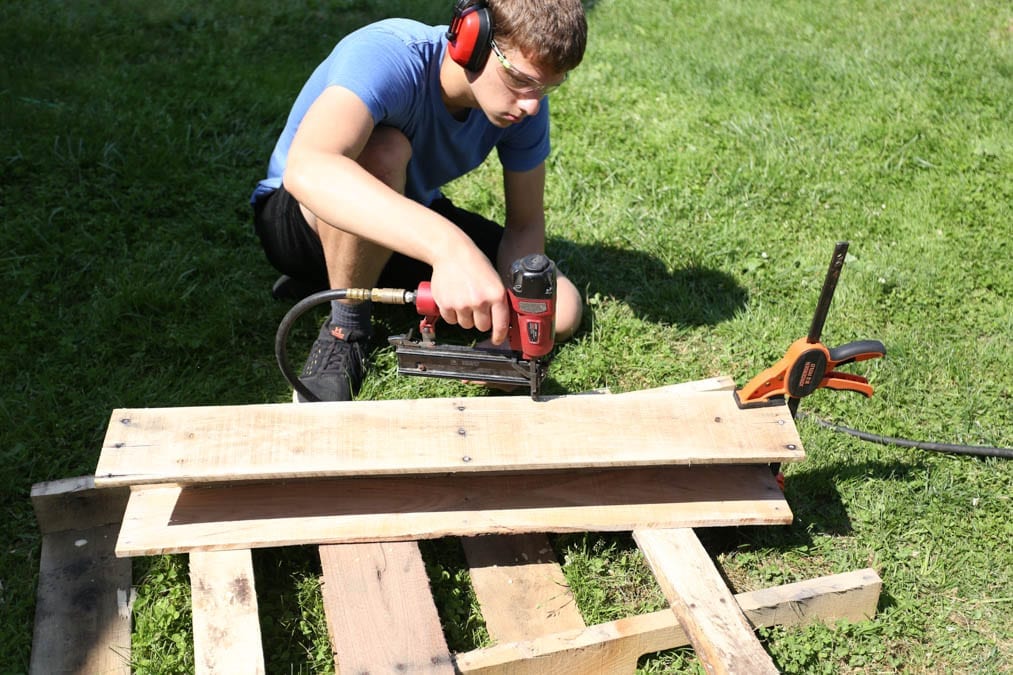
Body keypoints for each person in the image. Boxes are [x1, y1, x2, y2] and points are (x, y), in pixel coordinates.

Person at [251, 0, 587, 401]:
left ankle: (340, 278)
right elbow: (309, 168)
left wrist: (510, 338)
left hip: (403, 219)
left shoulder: (525, 107)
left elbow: (525, 225)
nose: (533, 103)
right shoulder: (387, 55)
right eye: (518, 79)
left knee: (559, 307)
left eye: (547, 87)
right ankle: (346, 329)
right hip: (296, 221)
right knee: (384, 152)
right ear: (471, 41)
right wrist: (450, 248)